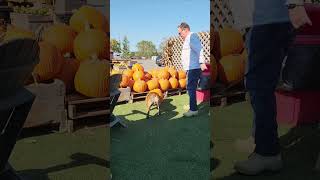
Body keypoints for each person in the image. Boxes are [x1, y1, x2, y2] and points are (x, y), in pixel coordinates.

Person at [231, 0, 312, 175]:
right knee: (259, 84)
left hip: (268, 20)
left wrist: (294, 4)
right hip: (261, 22)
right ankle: (258, 140)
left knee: (259, 86)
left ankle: (267, 153)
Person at [177, 22, 207, 117]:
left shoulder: (191, 36)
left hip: (193, 68)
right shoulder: (188, 38)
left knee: (191, 88)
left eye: (180, 33)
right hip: (191, 68)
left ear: (185, 30)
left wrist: (202, 62)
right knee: (190, 88)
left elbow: (199, 49)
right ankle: (192, 105)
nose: (179, 35)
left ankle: (193, 109)